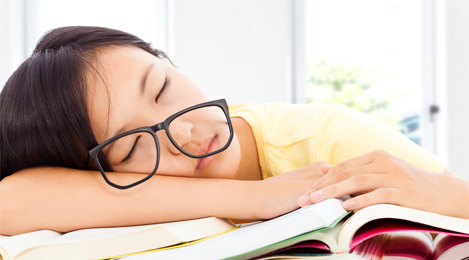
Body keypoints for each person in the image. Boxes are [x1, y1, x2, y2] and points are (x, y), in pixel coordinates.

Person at [0, 26, 446, 236]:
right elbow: (11, 199)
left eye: (163, 88)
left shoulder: (322, 136)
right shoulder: (113, 196)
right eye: (135, 146)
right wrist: (252, 198)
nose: (188, 134)